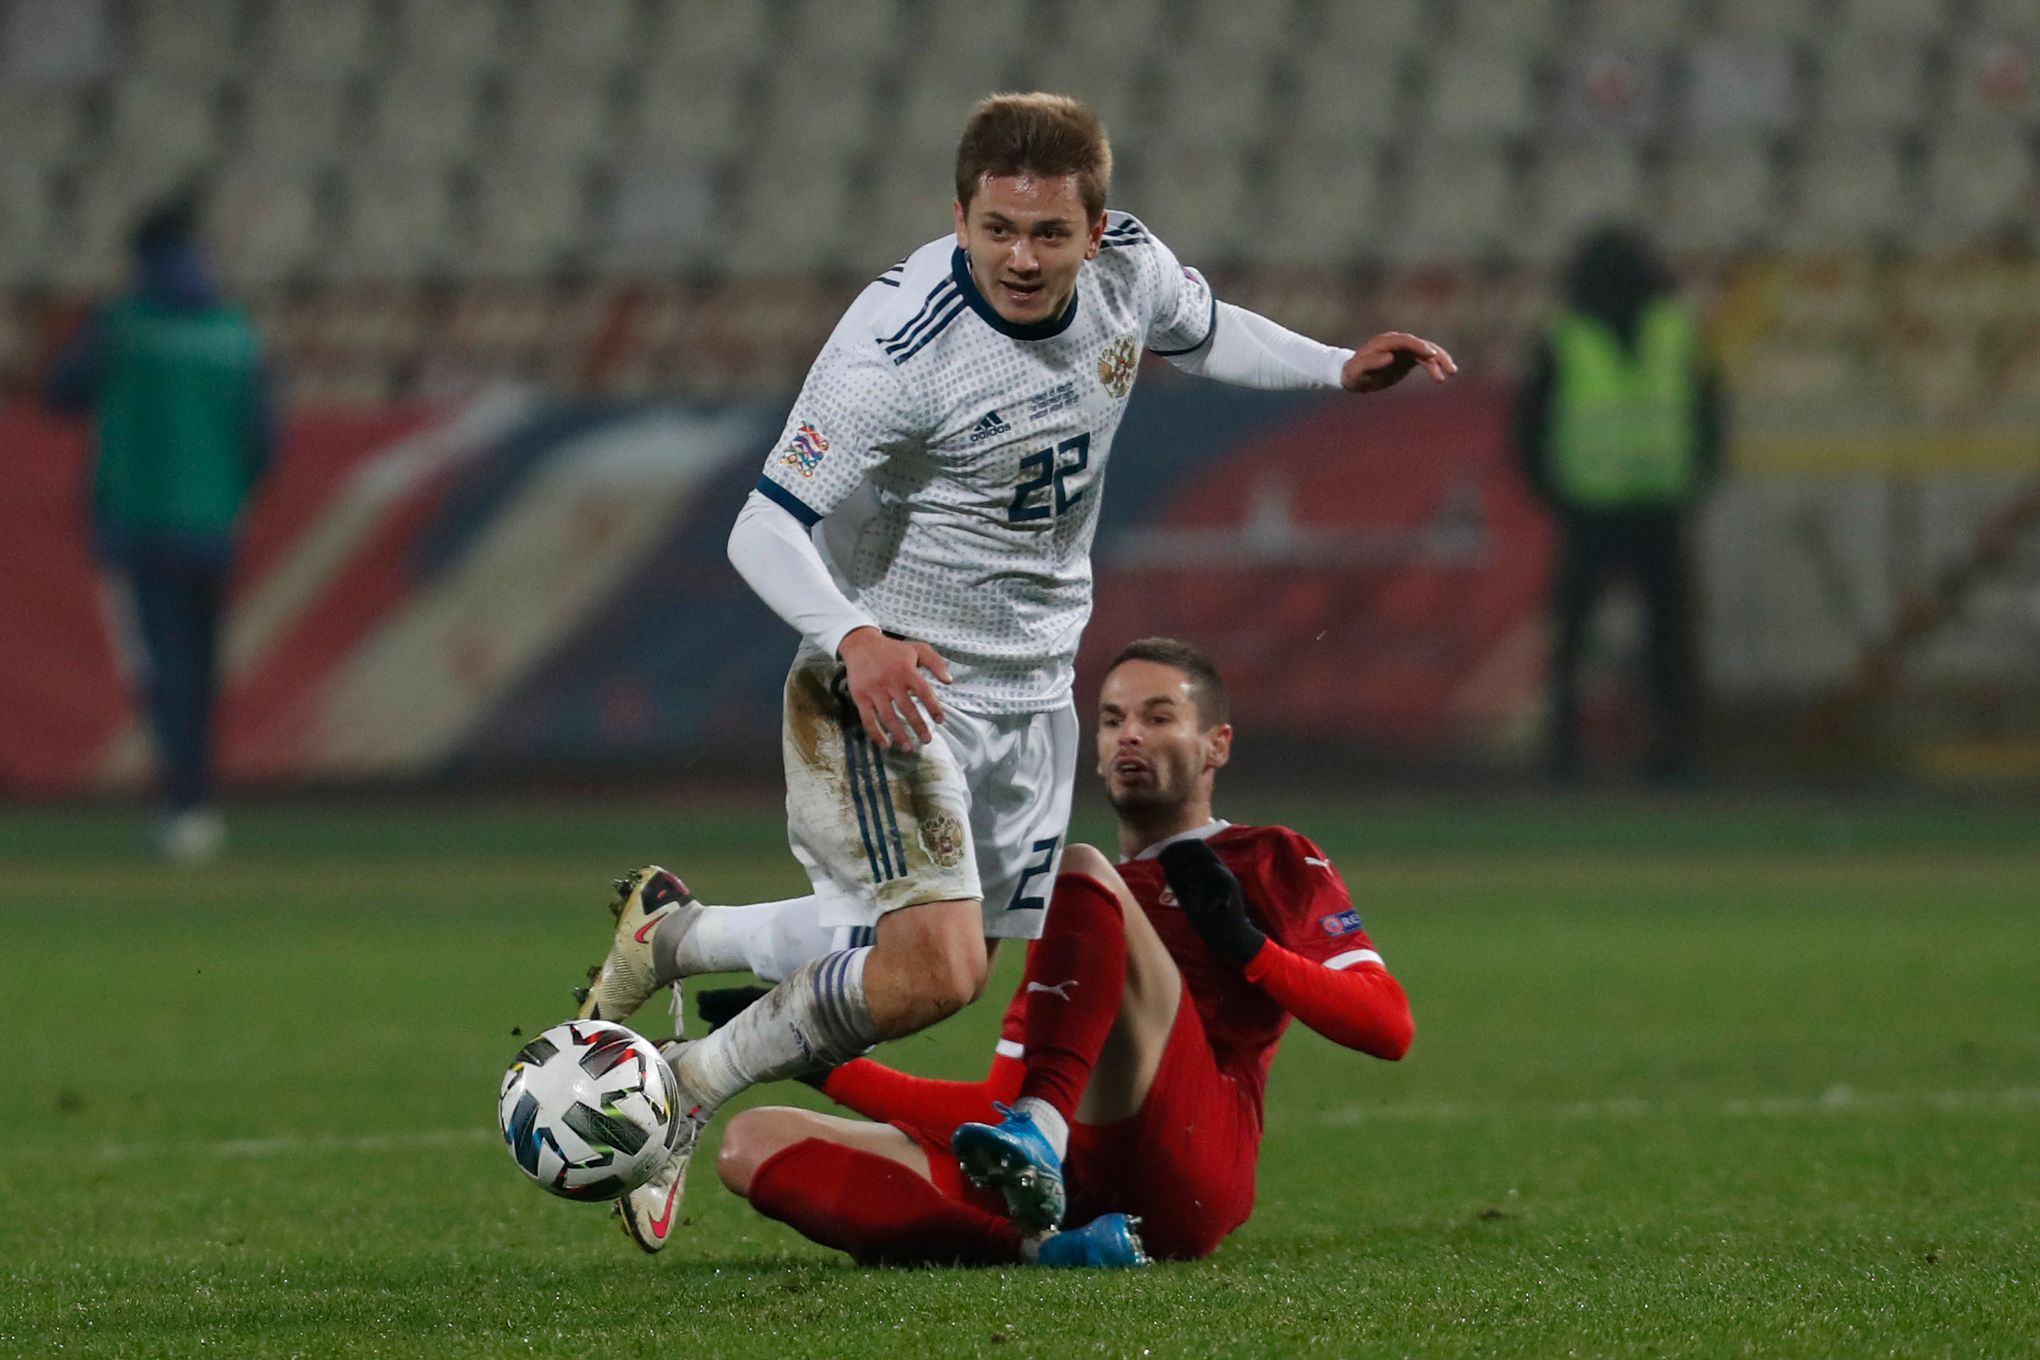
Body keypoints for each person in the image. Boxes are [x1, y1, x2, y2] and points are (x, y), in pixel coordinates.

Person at [571, 93, 1452, 1253]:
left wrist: (1337, 368)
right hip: (894, 682)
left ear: (1096, 229)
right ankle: (683, 1085)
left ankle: (673, 939)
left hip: (1036, 688)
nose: (1021, 257)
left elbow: (1207, 327)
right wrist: (854, 639)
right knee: (928, 969)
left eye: (1048, 233)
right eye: (997, 230)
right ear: (961, 216)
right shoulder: (895, 346)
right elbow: (761, 526)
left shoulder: (1131, 272)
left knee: (935, 957)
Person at [694, 637, 1413, 1267]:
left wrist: (1248, 947)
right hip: (1058, 1180)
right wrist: (819, 1063)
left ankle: (1041, 1143)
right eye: (1111, 720)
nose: (1129, 736)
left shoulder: (1265, 858)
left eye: (1158, 717)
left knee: (1077, 870)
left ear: (1215, 744)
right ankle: (1041, 1250)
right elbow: (995, 1105)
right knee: (752, 1143)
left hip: (1190, 1166)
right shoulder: (1063, 906)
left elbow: (1388, 1029)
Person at [44, 193, 277, 861]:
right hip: (215, 527)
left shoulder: (122, 326)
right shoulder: (236, 332)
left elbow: (59, 392)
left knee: (163, 672)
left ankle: (183, 808)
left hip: (139, 527)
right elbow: (265, 440)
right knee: (202, 672)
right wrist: (231, 495)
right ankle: (200, 804)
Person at [1512, 226, 1723, 783]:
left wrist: (1551, 488)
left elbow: (1529, 426)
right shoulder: (1670, 331)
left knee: (1595, 640)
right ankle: (1664, 755)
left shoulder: (1571, 335)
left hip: (1614, 510)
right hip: (1626, 510)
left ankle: (1572, 755)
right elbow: (1708, 414)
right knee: (1659, 641)